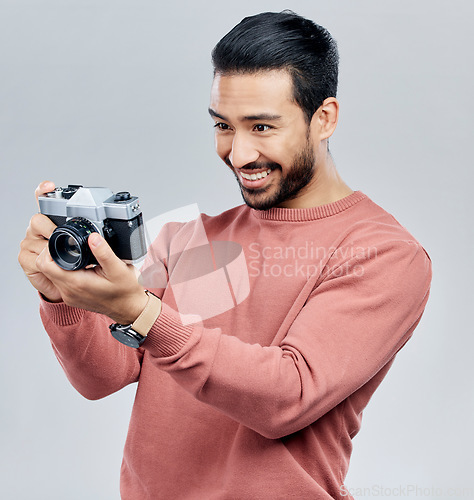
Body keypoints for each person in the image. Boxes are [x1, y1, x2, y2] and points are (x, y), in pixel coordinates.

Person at [18, 11, 432, 500]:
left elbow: (287, 396)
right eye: (223, 126)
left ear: (324, 119)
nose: (237, 155)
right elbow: (103, 376)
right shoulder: (193, 239)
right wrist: (62, 297)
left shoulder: (383, 254)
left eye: (261, 126)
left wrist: (138, 311)